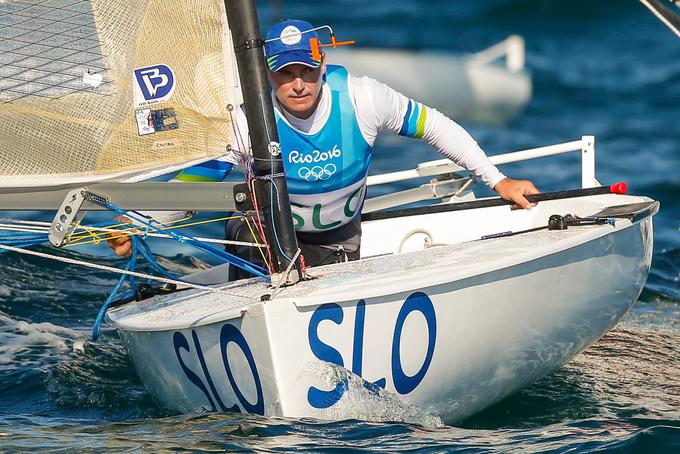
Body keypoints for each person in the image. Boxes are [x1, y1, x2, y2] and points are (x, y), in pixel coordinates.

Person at [108, 19, 539, 277]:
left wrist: (497, 180)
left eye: (307, 71)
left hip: (337, 243)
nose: (298, 84)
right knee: (257, 241)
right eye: (284, 74)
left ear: (322, 66)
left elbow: (436, 127)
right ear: (267, 76)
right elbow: (197, 180)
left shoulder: (363, 97)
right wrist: (136, 222)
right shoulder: (247, 119)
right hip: (265, 241)